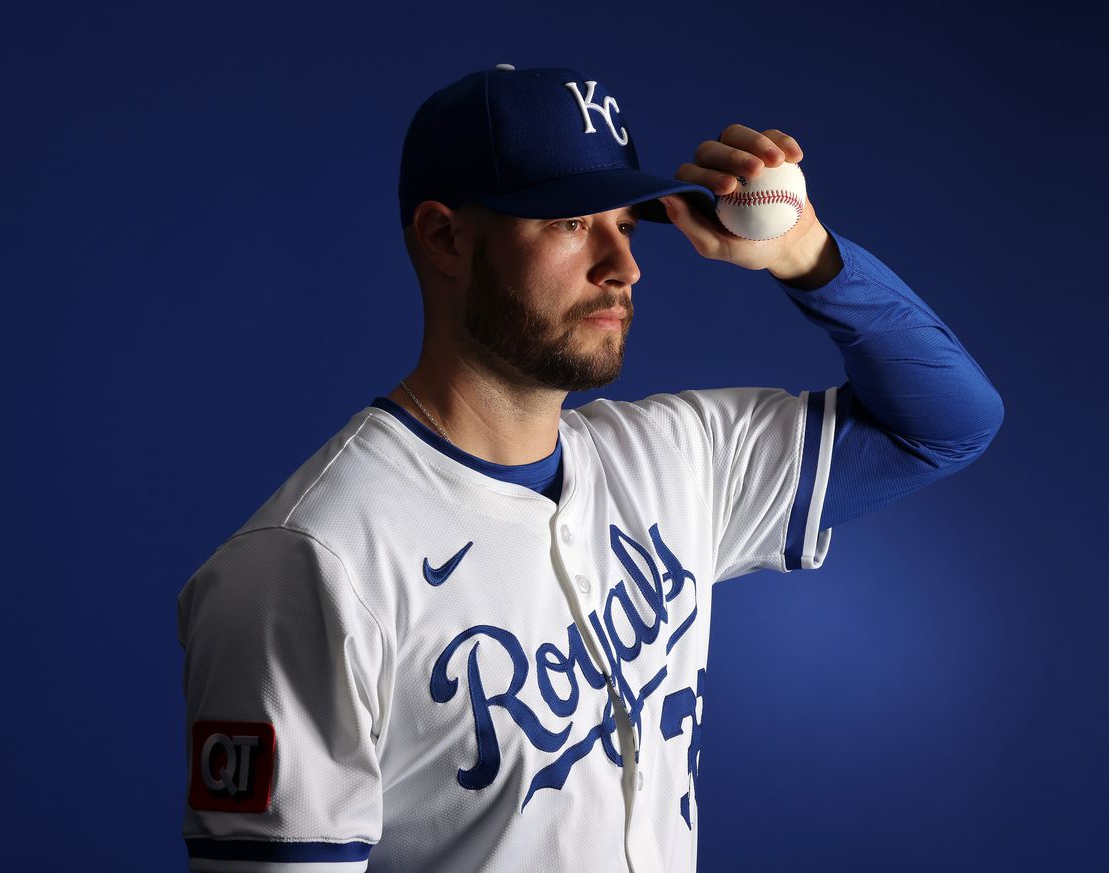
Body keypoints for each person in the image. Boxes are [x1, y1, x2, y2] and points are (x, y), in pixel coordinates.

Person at [177, 64, 1004, 873]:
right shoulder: (310, 559)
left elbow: (947, 423)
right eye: (572, 223)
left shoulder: (681, 458)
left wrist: (811, 257)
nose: (624, 266)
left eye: (628, 224)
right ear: (444, 237)